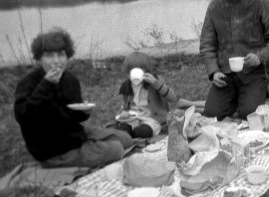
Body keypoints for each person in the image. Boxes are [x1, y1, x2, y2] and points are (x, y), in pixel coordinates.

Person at [14, 28, 133, 168]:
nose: (56, 61)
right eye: (49, 56)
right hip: (52, 150)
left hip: (73, 134)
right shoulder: (28, 83)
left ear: (67, 56)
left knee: (126, 139)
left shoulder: (70, 80)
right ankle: (80, 153)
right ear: (39, 58)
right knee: (117, 149)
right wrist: (47, 84)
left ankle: (89, 145)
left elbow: (74, 117)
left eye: (61, 54)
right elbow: (24, 117)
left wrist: (83, 112)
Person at [199, 0, 269, 120]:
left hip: (254, 73)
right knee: (212, 115)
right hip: (225, 75)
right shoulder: (214, 7)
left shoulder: (260, 2)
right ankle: (235, 98)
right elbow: (207, 45)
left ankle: (255, 94)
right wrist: (214, 71)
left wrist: (260, 57)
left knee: (249, 114)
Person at [114, 51, 177, 138]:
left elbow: (172, 98)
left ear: (146, 70)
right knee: (122, 131)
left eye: (139, 69)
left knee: (142, 132)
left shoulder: (154, 82)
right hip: (133, 118)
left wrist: (156, 83)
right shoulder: (127, 85)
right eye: (132, 70)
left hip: (151, 119)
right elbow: (125, 105)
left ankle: (137, 134)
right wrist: (124, 112)